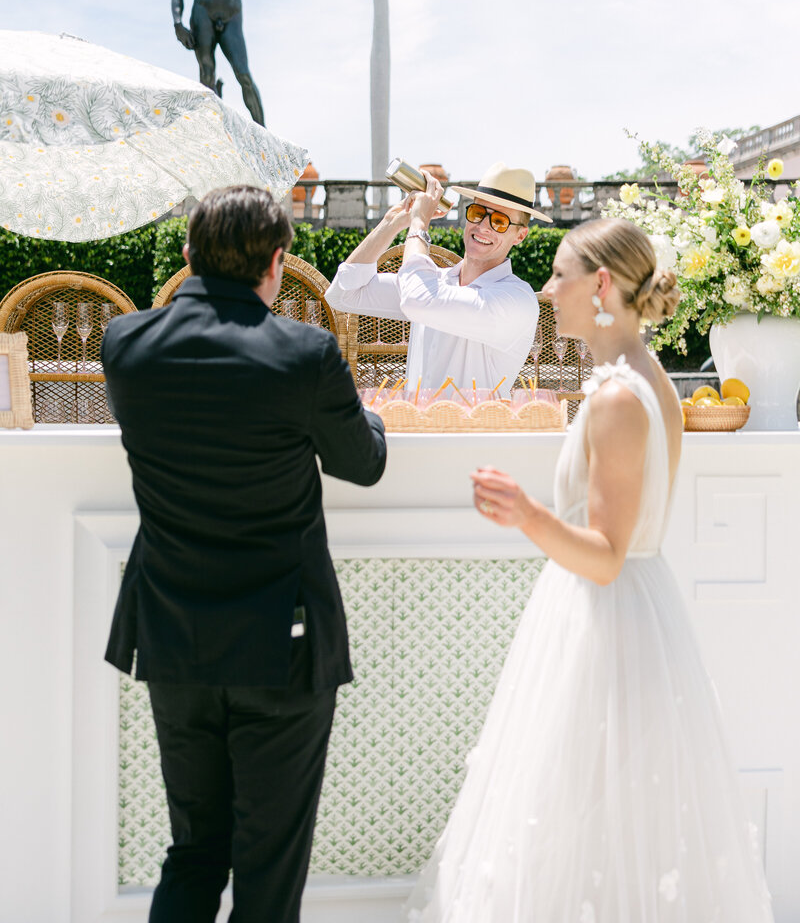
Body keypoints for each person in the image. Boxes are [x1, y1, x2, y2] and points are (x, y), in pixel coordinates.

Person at [405, 217, 774, 922]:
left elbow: (606, 556)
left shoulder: (614, 399)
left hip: (604, 627)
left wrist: (526, 512)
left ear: (600, 284)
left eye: (560, 274)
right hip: (638, 618)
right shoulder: (648, 381)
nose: (548, 290)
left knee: (578, 821)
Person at [102, 185, 387, 923]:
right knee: (269, 869)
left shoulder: (125, 345)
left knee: (193, 851)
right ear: (276, 262)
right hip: (281, 644)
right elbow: (361, 463)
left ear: (190, 255)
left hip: (173, 634)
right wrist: (372, 415)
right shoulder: (304, 353)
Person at [325, 163, 549, 394]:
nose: (483, 227)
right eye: (477, 213)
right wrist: (392, 223)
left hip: (477, 430)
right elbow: (343, 294)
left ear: (520, 235)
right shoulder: (433, 283)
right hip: (417, 427)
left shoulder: (517, 299)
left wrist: (419, 225)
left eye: (500, 222)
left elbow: (418, 300)